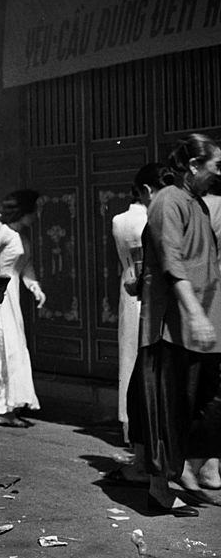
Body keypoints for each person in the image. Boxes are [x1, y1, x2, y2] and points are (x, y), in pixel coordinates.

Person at [129, 134, 221, 515]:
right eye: (215, 165)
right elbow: (172, 263)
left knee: (200, 408)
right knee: (167, 412)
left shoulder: (196, 203)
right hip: (173, 329)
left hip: (200, 328)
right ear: (194, 166)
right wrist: (196, 314)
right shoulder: (168, 200)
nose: (219, 172)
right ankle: (159, 493)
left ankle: (181, 476)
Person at [0, 189, 44, 428]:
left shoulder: (22, 237)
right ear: (24, 211)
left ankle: (4, 405)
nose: (37, 214)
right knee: (6, 351)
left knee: (14, 351)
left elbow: (26, 267)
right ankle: (2, 410)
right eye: (35, 209)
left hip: (13, 299)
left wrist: (34, 286)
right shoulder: (4, 233)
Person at [112, 162, 166, 442]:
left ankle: (127, 425)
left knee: (129, 356)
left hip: (128, 289)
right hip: (148, 292)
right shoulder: (153, 219)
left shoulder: (119, 220)